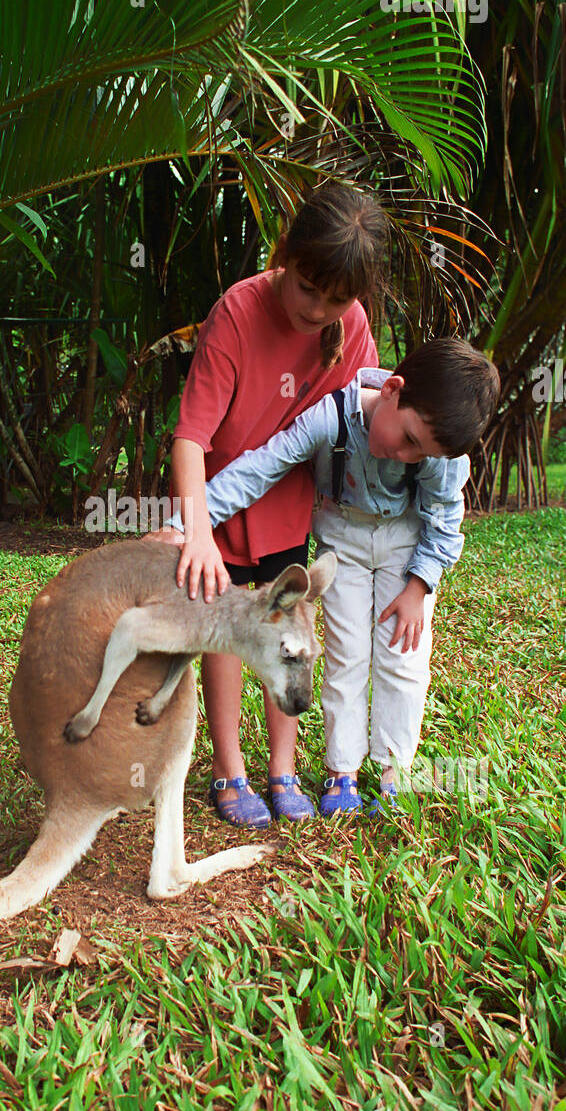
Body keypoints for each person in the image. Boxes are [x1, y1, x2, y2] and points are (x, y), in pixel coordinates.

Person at [165, 339, 500, 817]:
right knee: (344, 653)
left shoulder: (442, 453)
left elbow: (445, 520)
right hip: (344, 536)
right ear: (392, 390)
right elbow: (260, 468)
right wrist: (187, 525)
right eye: (407, 438)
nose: (406, 456)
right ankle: (341, 771)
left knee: (403, 655)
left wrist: (418, 586)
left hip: (408, 545)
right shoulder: (331, 417)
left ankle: (394, 773)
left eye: (419, 452)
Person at [165, 182, 386, 829]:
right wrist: (197, 533)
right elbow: (190, 438)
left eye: (337, 300)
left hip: (289, 511)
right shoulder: (237, 312)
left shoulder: (351, 326)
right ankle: (228, 769)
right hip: (222, 512)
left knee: (289, 635)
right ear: (284, 255)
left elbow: (363, 417)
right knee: (228, 637)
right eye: (307, 290)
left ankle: (282, 769)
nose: (318, 310)